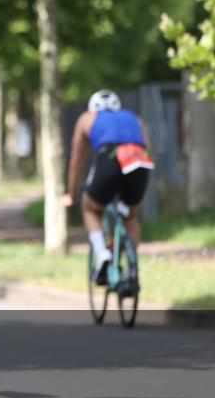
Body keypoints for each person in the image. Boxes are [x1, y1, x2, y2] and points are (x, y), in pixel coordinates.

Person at [62, 89, 154, 284]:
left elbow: (76, 161)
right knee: (130, 216)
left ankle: (102, 252)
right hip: (139, 160)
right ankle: (132, 271)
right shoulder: (134, 118)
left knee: (91, 208)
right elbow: (148, 148)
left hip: (109, 158)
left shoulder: (87, 118)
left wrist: (72, 193)